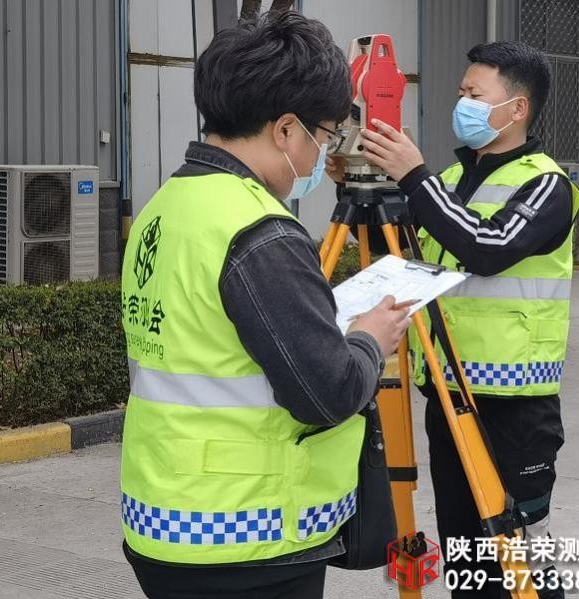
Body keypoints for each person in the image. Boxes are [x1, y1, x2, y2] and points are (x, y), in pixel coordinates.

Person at [119, 12, 411, 599]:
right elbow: (327, 393)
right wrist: (367, 338)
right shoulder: (260, 232)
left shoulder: (167, 204)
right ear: (285, 129)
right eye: (324, 135)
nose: (321, 153)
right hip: (245, 537)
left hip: (165, 514)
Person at [331, 40, 579, 599]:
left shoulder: (547, 185)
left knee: (519, 559)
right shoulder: (449, 178)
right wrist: (355, 183)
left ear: (517, 108)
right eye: (462, 92)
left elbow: (488, 247)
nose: (462, 102)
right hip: (448, 397)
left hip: (514, 408)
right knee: (466, 556)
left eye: (475, 94)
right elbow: (404, 256)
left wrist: (415, 178)